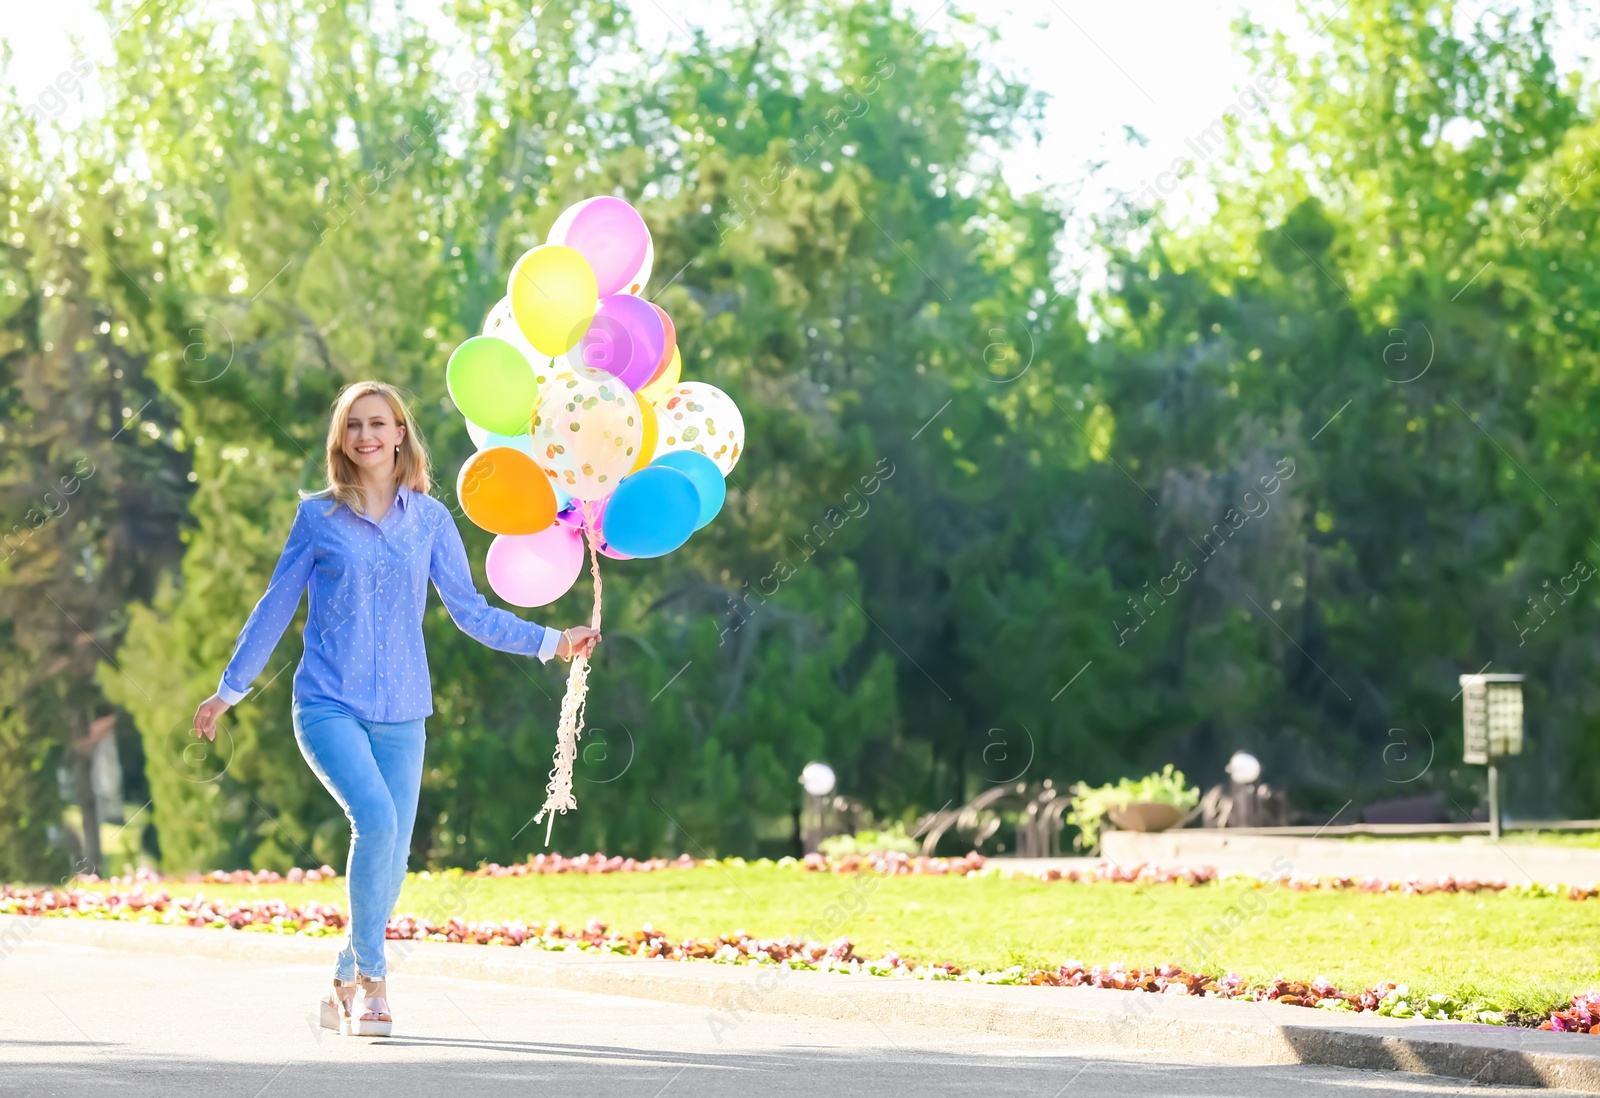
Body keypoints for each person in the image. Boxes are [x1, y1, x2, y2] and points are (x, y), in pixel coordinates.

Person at [191, 380, 598, 1037]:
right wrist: (229, 690)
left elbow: (470, 614)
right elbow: (275, 606)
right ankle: (374, 988)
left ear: (401, 432)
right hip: (327, 704)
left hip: (405, 710)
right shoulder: (317, 518)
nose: (366, 436)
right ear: (340, 440)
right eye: (353, 426)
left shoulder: (431, 520)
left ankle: (341, 976)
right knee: (374, 820)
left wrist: (554, 642)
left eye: (378, 423)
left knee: (393, 858)